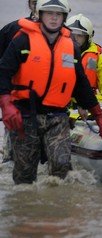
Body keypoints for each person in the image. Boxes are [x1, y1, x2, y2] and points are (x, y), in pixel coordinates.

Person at [0, 0, 102, 184]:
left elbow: (81, 83)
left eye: (58, 14)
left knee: (61, 167)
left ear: (64, 17)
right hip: (25, 117)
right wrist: (6, 104)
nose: (53, 17)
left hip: (57, 117)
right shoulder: (21, 39)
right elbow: (3, 72)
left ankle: (58, 207)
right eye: (49, 13)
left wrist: (98, 114)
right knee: (24, 176)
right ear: (40, 14)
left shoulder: (70, 45)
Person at [0, 0, 38, 163]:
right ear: (30, 5)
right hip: (17, 103)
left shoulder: (63, 35)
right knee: (12, 159)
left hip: (50, 104)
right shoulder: (11, 30)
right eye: (36, 2)